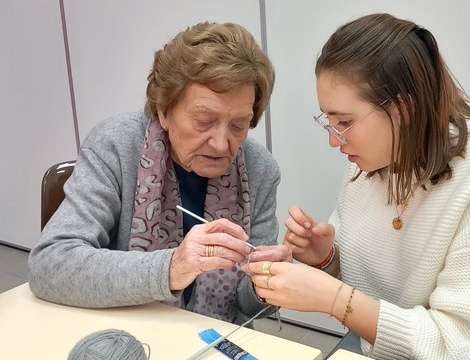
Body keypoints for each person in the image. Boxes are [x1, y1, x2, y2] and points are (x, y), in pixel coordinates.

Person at [248, 13, 470, 359]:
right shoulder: (369, 165)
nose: (333, 140)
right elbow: (376, 288)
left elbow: (460, 348)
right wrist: (328, 258)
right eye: (327, 120)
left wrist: (333, 299)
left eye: (344, 122)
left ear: (403, 109)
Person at [28, 21, 290, 324]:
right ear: (164, 111)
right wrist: (171, 268)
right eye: (204, 120)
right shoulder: (116, 146)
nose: (221, 144)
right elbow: (50, 265)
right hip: (123, 330)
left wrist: (266, 284)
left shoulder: (259, 171)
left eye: (239, 124)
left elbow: (249, 309)